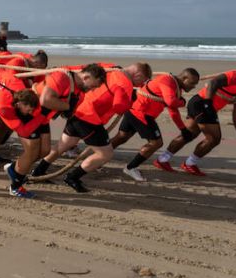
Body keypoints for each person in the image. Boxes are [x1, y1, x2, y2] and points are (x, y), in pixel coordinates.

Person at [31, 63, 152, 193]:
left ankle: (38, 171)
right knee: (105, 154)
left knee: (63, 145)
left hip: (78, 110)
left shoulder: (111, 67)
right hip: (90, 119)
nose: (140, 85)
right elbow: (119, 108)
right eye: (142, 81)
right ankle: (73, 177)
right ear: (138, 74)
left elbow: (81, 68)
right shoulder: (125, 83)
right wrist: (129, 101)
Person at [154, 70, 236, 176]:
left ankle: (162, 160)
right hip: (201, 103)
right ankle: (189, 163)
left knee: (189, 135)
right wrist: (207, 103)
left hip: (201, 105)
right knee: (214, 138)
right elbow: (214, 83)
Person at [110, 68, 200, 181]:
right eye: (192, 83)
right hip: (141, 114)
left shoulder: (176, 88)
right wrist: (182, 102)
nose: (193, 86)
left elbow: (173, 110)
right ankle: (130, 168)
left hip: (134, 110)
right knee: (156, 143)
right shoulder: (167, 81)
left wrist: (183, 129)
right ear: (184, 78)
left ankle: (99, 157)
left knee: (122, 136)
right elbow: (171, 102)